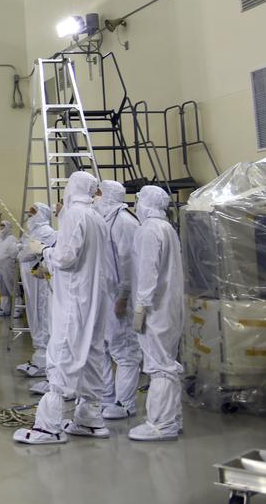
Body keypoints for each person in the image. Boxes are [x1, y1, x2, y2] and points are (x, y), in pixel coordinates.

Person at [14, 171, 113, 444]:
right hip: (94, 300)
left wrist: (43, 250)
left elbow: (66, 257)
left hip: (74, 299)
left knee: (61, 356)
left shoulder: (73, 215)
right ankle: (90, 419)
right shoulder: (97, 217)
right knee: (92, 357)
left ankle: (48, 427)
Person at [129, 185, 184, 441]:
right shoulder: (167, 228)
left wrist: (141, 305)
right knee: (167, 362)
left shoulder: (149, 230)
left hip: (155, 308)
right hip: (168, 306)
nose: (136, 204)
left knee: (159, 364)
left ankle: (161, 424)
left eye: (138, 199)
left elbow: (148, 271)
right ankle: (173, 417)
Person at [97, 180, 143, 420]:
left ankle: (125, 403)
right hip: (105, 296)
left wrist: (123, 296)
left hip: (119, 298)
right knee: (104, 345)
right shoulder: (105, 218)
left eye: (100, 192)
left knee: (125, 349)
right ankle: (106, 396)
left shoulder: (124, 221)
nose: (96, 196)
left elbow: (128, 263)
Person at [15, 203, 57, 378]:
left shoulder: (46, 232)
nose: (29, 215)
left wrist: (23, 249)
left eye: (33, 212)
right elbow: (24, 251)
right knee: (34, 315)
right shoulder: (33, 233)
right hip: (30, 283)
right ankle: (38, 356)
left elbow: (26, 254)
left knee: (42, 315)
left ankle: (45, 359)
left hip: (40, 284)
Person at [0, 221, 20, 317]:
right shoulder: (0, 240)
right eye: (1, 226)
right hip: (0, 267)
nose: (1, 228)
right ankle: (5, 309)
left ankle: (18, 310)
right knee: (3, 288)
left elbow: (15, 254)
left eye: (3, 226)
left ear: (8, 227)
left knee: (12, 287)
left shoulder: (12, 239)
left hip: (9, 267)